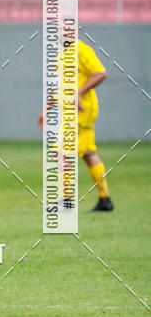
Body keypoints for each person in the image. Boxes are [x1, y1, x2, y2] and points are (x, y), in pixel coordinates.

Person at [38, 38, 113, 212]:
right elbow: (59, 86)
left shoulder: (82, 50)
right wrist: (46, 109)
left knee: (61, 152)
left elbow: (100, 73)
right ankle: (105, 199)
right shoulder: (61, 55)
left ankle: (66, 201)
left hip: (81, 110)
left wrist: (78, 92)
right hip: (73, 111)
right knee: (89, 154)